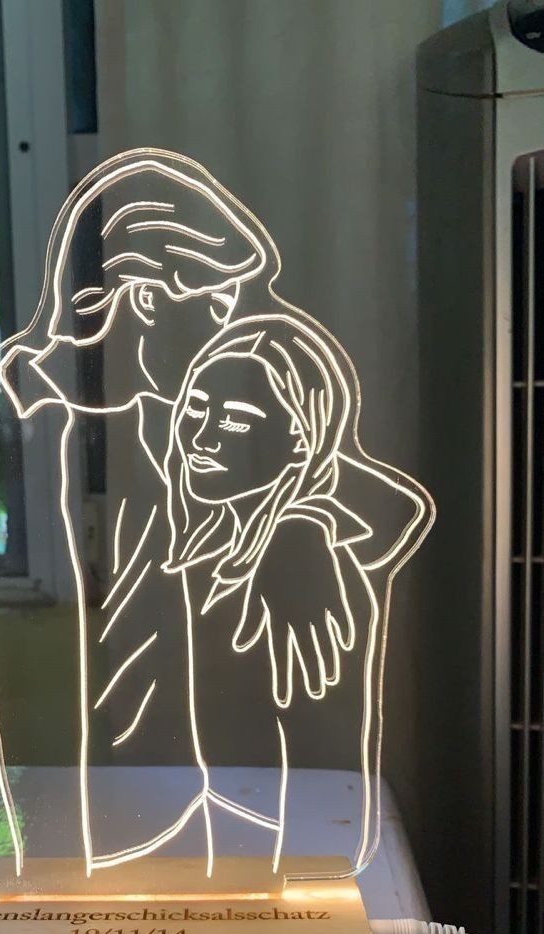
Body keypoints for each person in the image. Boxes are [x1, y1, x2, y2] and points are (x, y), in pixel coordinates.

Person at [0, 149, 283, 888]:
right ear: (145, 298)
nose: (233, 335)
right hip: (4, 867)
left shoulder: (173, 428)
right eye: (220, 306)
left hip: (170, 845)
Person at [89, 311, 432, 877]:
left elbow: (316, 787)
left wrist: (303, 525)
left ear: (301, 438)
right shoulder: (205, 549)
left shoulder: (307, 574)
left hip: (282, 866)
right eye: (195, 409)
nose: (201, 437)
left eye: (236, 420)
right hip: (205, 844)